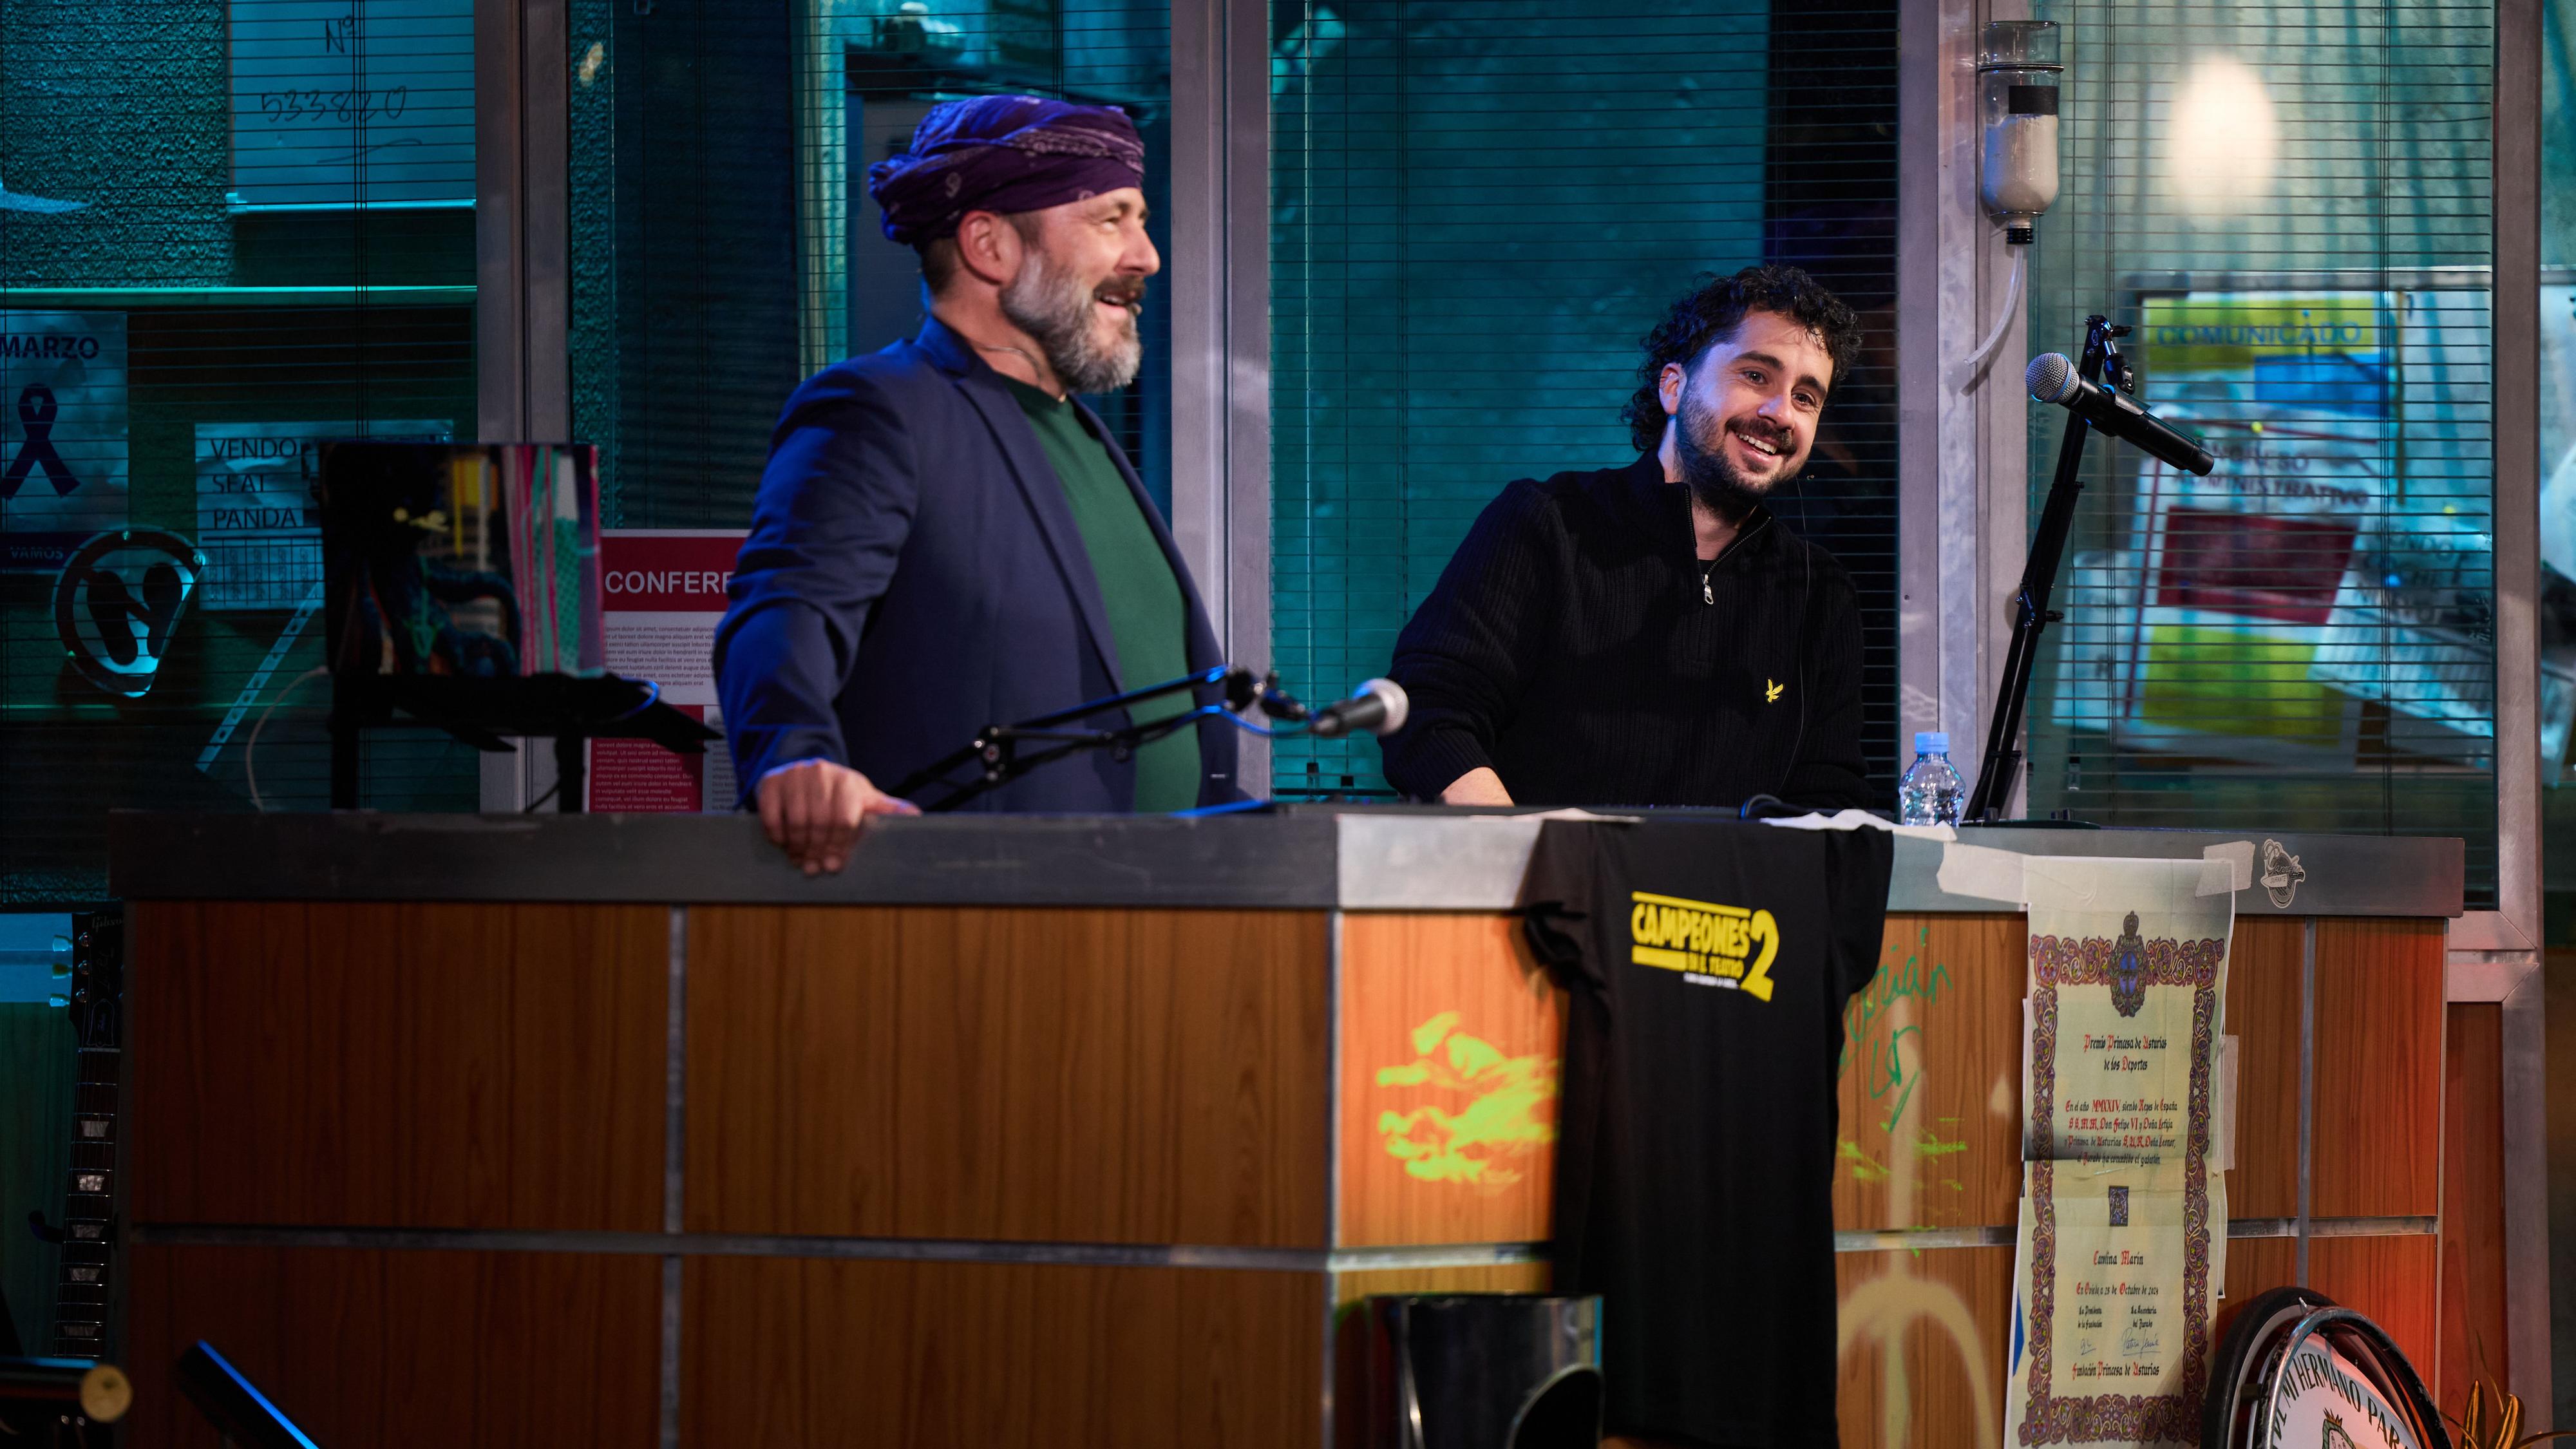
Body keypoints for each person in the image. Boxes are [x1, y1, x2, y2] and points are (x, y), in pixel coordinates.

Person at [715, 95, 1238, 873]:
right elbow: (787, 608)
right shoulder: (882, 410)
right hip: (980, 913)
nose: (1146, 257)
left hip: (1160, 909)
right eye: (1111, 220)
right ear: (990, 246)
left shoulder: (1084, 434)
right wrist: (795, 756)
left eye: (1142, 221)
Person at [1379, 263, 1871, 811]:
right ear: (1674, 387)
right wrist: (1535, 847)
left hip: (1731, 873)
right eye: (1756, 375)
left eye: (1805, 398)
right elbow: (1428, 711)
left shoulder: (1818, 592)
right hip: (1540, 865)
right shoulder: (1546, 524)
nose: (1780, 412)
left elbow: (1827, 796)